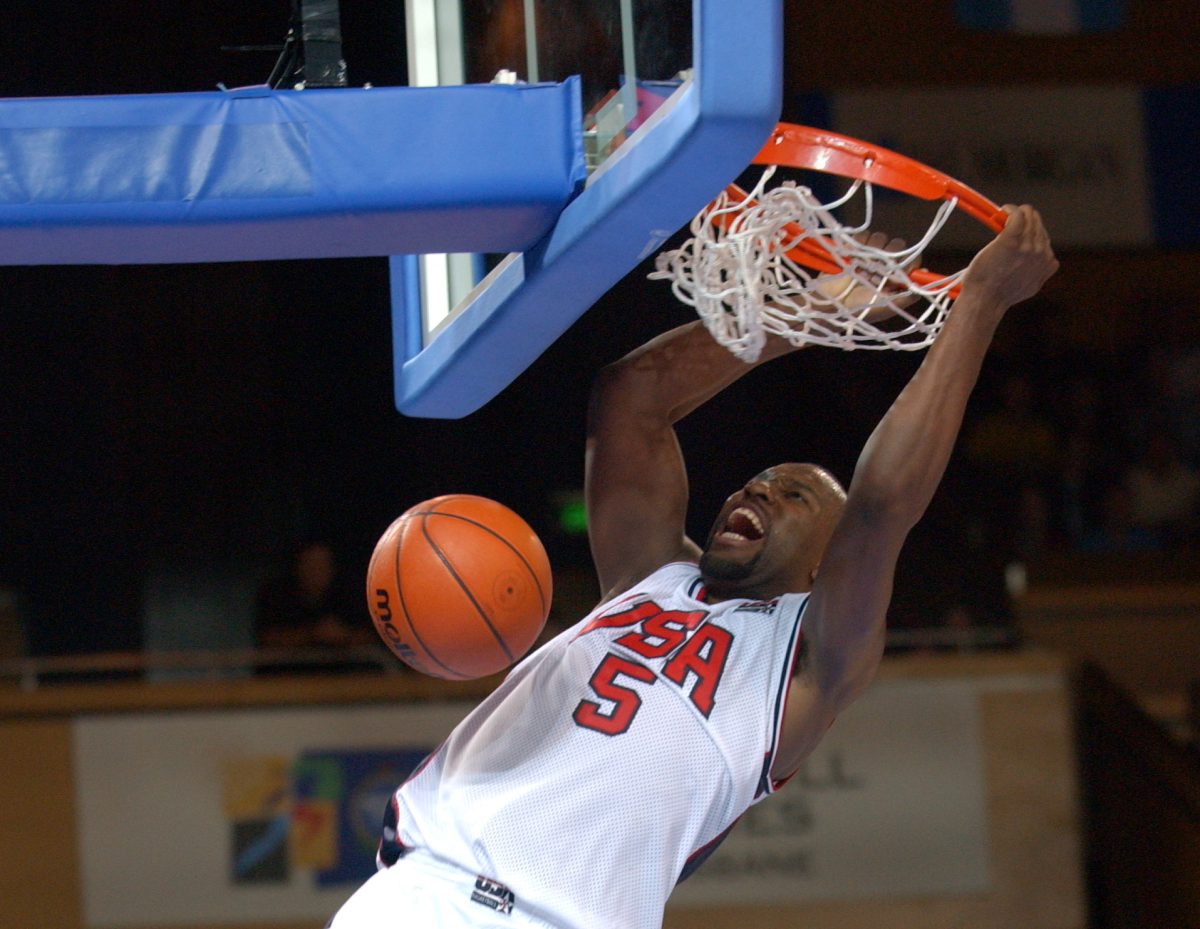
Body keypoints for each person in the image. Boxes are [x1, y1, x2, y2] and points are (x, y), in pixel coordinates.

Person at [327, 205, 1058, 928]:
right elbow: (630, 395)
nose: (757, 489)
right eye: (756, 481)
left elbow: (882, 504)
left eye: (794, 493)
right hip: (419, 891)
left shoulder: (807, 663)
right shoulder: (651, 572)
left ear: (823, 564)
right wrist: (809, 312)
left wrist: (982, 300)